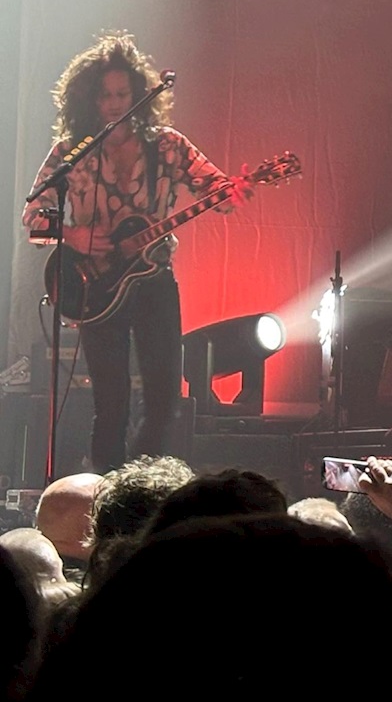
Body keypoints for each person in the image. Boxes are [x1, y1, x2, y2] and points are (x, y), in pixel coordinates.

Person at [21, 33, 248, 472]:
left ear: (138, 96)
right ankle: (108, 488)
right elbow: (32, 214)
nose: (113, 103)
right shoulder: (72, 151)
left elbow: (216, 188)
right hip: (94, 286)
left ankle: (145, 482)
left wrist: (233, 192)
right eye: (105, 95)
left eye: (122, 94)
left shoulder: (167, 145)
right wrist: (73, 235)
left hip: (153, 281)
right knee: (111, 402)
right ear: (89, 99)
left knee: (164, 395)